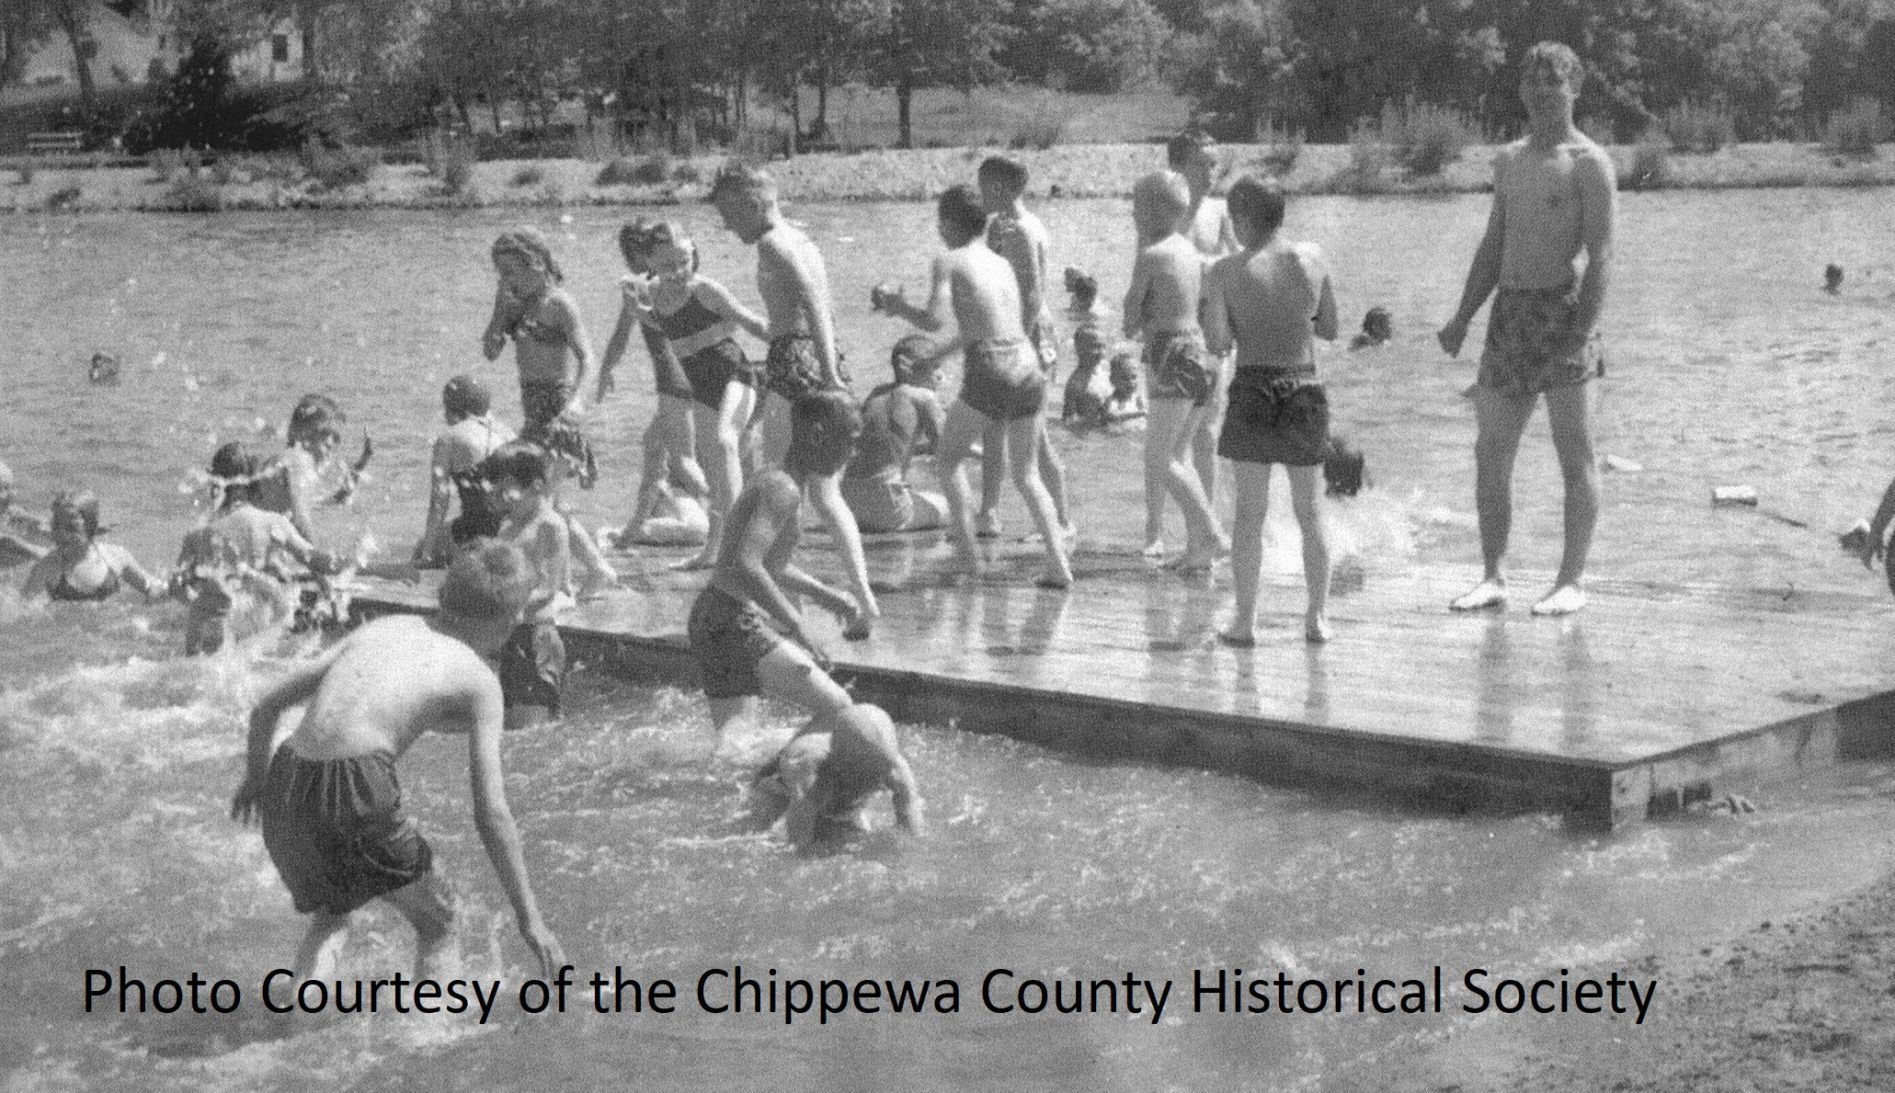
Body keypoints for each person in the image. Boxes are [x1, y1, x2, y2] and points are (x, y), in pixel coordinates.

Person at [229, 540, 565, 983]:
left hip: (287, 778)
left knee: (333, 913)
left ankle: (292, 1027)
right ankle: (430, 1037)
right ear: (507, 620)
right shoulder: (479, 680)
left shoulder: (382, 628)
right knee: (440, 919)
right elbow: (491, 814)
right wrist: (531, 918)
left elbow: (266, 708)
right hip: (356, 782)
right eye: (520, 610)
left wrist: (256, 781)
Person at [1436, 41, 1615, 617]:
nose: (1543, 92)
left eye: (1554, 82)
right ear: (1521, 91)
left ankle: (1571, 580)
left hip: (1565, 315)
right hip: (1510, 315)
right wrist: (1463, 316)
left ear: (1575, 86)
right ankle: (1493, 575)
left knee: (1575, 454)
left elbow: (1603, 256)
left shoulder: (1589, 162)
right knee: (1491, 451)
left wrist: (1580, 333)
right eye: (1533, 82)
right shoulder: (1509, 159)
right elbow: (1494, 243)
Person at [875, 185, 1076, 588]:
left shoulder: (948, 260)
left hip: (992, 366)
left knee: (945, 461)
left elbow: (933, 320)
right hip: (1027, 363)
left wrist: (896, 306)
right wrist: (938, 356)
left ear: (948, 224)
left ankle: (969, 560)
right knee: (1027, 473)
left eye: (938, 221)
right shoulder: (999, 263)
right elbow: (991, 328)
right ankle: (1058, 564)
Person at [708, 165, 879, 634]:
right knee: (821, 493)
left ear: (752, 202)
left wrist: (825, 373)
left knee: (784, 485)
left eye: (729, 213)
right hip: (809, 357)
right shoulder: (801, 239)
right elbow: (816, 305)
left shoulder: (773, 243)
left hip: (797, 362)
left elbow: (814, 303)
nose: (727, 225)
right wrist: (831, 368)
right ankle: (856, 599)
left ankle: (810, 602)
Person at [1201, 176, 1339, 645]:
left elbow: (1219, 343)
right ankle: (1317, 617)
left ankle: (1246, 622)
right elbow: (1330, 329)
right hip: (1303, 383)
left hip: (1254, 386)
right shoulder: (1314, 258)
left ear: (1241, 218)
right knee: (1310, 512)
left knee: (1249, 515)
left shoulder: (1224, 272)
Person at [687, 390, 864, 750]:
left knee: (736, 744)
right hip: (732, 621)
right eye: (849, 440)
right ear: (816, 434)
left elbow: (770, 565)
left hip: (711, 616)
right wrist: (801, 631)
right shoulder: (783, 489)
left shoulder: (775, 477)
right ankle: (784, 773)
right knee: (839, 710)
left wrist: (829, 597)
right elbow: (747, 565)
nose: (853, 452)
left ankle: (749, 786)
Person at [618, 222, 767, 571]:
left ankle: (735, 544)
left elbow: (750, 322)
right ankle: (713, 550)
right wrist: (635, 310)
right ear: (650, 262)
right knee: (714, 469)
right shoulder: (652, 291)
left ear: (694, 256)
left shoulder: (706, 290)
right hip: (699, 385)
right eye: (668, 264)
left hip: (736, 375)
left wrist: (792, 337)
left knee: (724, 441)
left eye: (685, 261)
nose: (679, 271)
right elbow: (659, 323)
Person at [480, 230, 618, 598]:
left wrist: (576, 403)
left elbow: (588, 358)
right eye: (500, 274)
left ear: (536, 265)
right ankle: (583, 574)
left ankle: (576, 577)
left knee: (542, 499)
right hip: (532, 407)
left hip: (558, 408)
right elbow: (491, 350)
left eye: (511, 272)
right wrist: (499, 309)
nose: (505, 280)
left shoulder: (559, 304)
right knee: (545, 499)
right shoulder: (515, 305)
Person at [1124, 169, 1227, 571]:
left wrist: (1132, 321)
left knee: (1160, 460)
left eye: (1135, 208)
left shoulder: (1151, 255)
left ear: (1149, 212)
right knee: (1179, 458)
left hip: (1172, 354)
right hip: (1202, 356)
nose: (1132, 215)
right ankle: (1199, 546)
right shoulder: (1191, 253)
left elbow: (1133, 313)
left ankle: (1214, 534)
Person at [976, 155, 1074, 544]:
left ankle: (1061, 521)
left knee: (1032, 435)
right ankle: (989, 513)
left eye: (983, 187)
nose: (979, 195)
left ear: (999, 188)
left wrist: (1016, 344)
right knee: (995, 426)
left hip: (1023, 335)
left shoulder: (1019, 230)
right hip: (1011, 330)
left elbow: (1033, 294)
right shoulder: (1006, 227)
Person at [599, 220, 712, 550]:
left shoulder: (641, 286)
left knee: (679, 460)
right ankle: (640, 522)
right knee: (656, 443)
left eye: (628, 255)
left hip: (675, 381)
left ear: (639, 254)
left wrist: (607, 368)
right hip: (692, 375)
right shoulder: (682, 280)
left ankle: (727, 511)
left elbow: (621, 336)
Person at [174, 441, 344, 655]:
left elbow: (177, 588)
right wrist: (356, 560)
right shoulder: (272, 523)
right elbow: (316, 560)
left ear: (216, 481)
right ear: (253, 481)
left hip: (211, 635)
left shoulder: (198, 536)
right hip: (257, 635)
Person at [1168, 130, 1242, 512]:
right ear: (1177, 166)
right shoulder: (1166, 211)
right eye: (1201, 163)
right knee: (1171, 436)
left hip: (1215, 333)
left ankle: (1207, 519)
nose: (1210, 172)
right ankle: (1159, 526)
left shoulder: (1220, 211)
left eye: (1214, 164)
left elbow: (1240, 262)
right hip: (1177, 333)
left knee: (1209, 432)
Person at [750, 703, 924, 849]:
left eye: (879, 773)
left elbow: (911, 820)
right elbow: (797, 842)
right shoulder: (813, 772)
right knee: (758, 833)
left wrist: (909, 850)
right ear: (837, 760)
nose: (874, 781)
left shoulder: (893, 767)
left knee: (851, 836)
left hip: (834, 800)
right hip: (782, 789)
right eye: (863, 774)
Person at [485, 442, 572, 731]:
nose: (500, 497)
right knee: (510, 728)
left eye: (507, 489)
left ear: (535, 486)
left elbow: (549, 588)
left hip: (536, 637)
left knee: (532, 730)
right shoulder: (507, 526)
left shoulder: (550, 525)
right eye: (496, 489)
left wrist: (510, 608)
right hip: (509, 636)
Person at [841, 334, 949, 534]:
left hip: (847, 501)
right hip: (888, 507)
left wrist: (921, 448)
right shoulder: (924, 397)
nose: (940, 375)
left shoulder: (876, 393)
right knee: (954, 507)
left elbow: (878, 440)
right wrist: (986, 455)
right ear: (908, 368)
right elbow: (948, 449)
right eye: (934, 367)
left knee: (915, 493)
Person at [413, 375, 516, 568]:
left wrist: (426, 554)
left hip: (475, 534)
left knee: (421, 548)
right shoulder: (509, 433)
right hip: (511, 533)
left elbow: (439, 502)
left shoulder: (448, 439)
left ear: (453, 407)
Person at [255, 395, 371, 547]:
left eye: (335, 437)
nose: (330, 443)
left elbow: (333, 500)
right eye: (324, 433)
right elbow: (300, 516)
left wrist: (361, 464)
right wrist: (317, 559)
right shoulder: (299, 460)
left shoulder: (292, 462)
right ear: (301, 434)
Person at [19, 490, 162, 603]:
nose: (61, 535)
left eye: (71, 528)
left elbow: (153, 589)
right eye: (56, 526)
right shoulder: (47, 567)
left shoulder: (114, 556)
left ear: (90, 527)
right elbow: (22, 608)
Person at [0, 460, 50, 568]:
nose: (12, 494)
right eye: (3, 488)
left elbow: (39, 523)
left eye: (12, 487)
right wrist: (36, 551)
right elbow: (5, 540)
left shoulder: (9, 512)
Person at [1101, 351, 1147, 427]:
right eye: (1125, 378)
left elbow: (1145, 415)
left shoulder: (1138, 400)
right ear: (1112, 380)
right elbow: (1104, 420)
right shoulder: (1109, 402)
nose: (1130, 382)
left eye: (1133, 377)